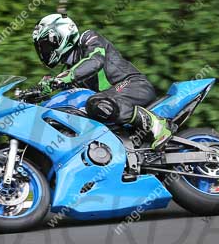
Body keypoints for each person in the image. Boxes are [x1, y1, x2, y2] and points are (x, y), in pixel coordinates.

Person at [32, 13, 171, 148]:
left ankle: (156, 124)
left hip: (133, 85)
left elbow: (95, 61)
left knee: (96, 103)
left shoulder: (88, 38)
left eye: (46, 46)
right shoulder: (70, 70)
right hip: (113, 99)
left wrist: (61, 78)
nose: (45, 51)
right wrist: (38, 97)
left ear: (62, 35)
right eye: (41, 48)